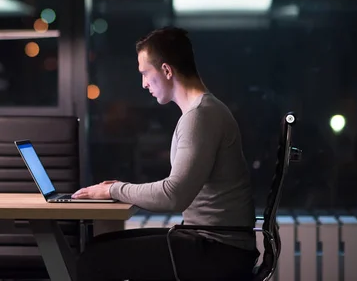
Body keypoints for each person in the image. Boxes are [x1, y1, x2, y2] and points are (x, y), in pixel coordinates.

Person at [72, 27, 259, 280]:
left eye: (145, 73)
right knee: (97, 248)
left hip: (218, 251)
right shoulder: (205, 110)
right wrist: (117, 188)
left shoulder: (200, 117)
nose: (143, 83)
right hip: (215, 242)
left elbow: (174, 196)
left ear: (167, 70)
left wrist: (113, 190)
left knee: (93, 261)